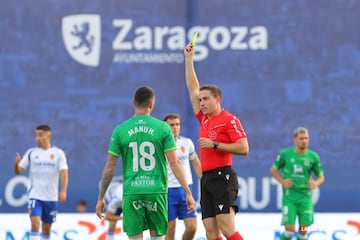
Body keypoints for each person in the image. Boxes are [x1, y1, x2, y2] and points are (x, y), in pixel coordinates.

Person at [95, 86, 196, 240]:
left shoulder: (120, 130)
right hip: (156, 191)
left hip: (132, 192)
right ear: (152, 104)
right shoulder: (163, 128)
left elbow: (109, 167)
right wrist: (188, 192)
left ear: (133, 102)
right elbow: (175, 163)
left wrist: (101, 197)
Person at [184, 43, 249, 240]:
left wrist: (215, 145)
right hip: (206, 178)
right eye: (200, 100)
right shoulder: (204, 119)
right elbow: (192, 87)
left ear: (217, 99)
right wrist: (188, 59)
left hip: (223, 176)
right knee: (211, 232)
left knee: (227, 227)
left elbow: (244, 148)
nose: (201, 103)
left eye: (205, 99)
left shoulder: (229, 119)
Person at [14, 125, 69, 240]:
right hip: (35, 195)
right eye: (36, 135)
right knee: (35, 224)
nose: (37, 138)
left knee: (46, 229)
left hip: (51, 197)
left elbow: (64, 173)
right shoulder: (32, 153)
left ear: (48, 135)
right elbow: (18, 171)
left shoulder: (58, 153)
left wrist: (63, 190)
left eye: (40, 135)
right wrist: (16, 164)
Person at [270, 127, 325, 240]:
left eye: (306, 138)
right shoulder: (285, 154)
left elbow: (321, 177)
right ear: (295, 139)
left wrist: (315, 183)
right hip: (290, 198)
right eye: (301, 138)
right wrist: (283, 181)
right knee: (290, 231)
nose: (304, 141)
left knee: (303, 231)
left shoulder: (313, 157)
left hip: (305, 198)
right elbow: (273, 170)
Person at [163, 113, 202, 240]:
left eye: (177, 124)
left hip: (185, 190)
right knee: (170, 229)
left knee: (192, 227)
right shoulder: (160, 145)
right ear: (165, 127)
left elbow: (195, 161)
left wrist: (204, 179)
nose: (175, 127)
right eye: (172, 125)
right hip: (167, 190)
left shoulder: (187, 143)